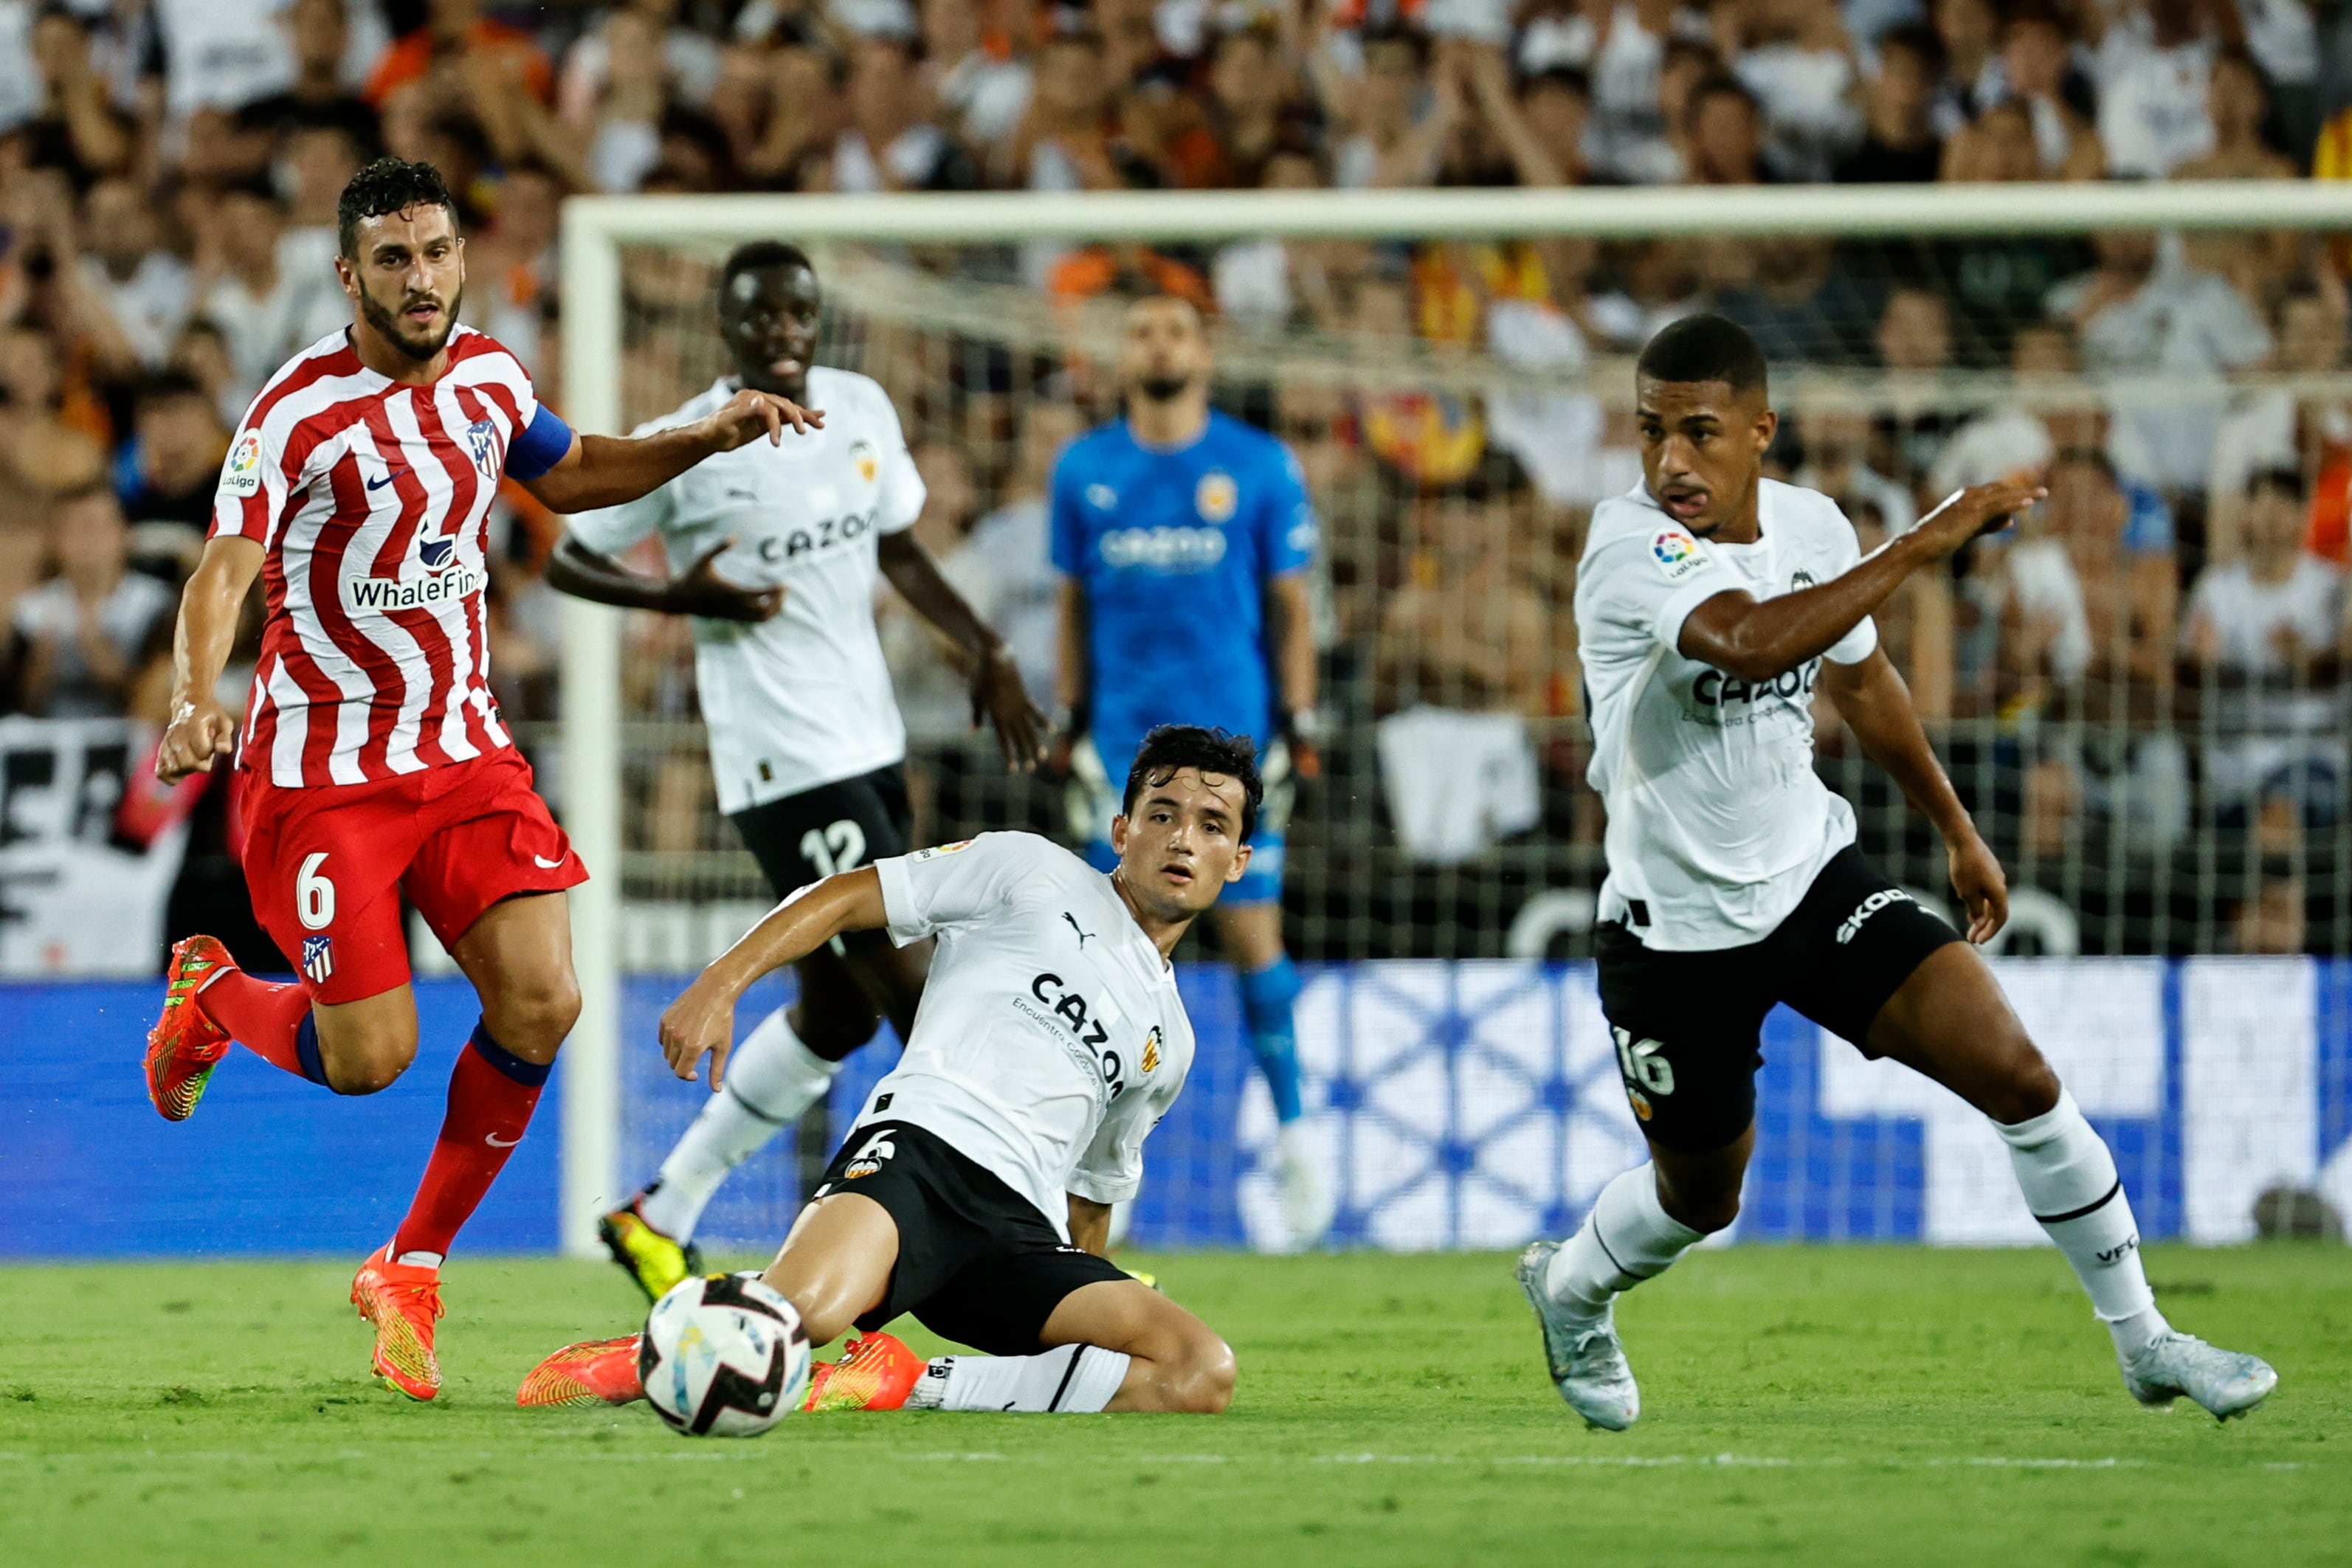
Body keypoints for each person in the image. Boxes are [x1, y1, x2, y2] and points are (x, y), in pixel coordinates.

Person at [139, 158, 822, 1403]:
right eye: (393, 259)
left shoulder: (492, 377)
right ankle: (216, 993)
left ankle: (410, 1263)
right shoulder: (297, 412)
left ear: (464, 258)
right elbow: (222, 574)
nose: (421, 278)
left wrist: (698, 437)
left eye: (438, 252)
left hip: (461, 756)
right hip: (325, 775)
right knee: (370, 1058)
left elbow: (567, 473)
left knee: (543, 1001)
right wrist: (197, 700)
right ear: (348, 275)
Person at [1519, 312, 2276, 1430]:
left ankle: (2146, 1340)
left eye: (1697, 431)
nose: (1669, 460)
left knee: (2017, 1075)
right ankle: (1572, 1289)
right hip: (1672, 932)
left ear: (1759, 432)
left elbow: (1864, 688)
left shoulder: (1816, 529)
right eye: (1647, 432)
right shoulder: (1624, 546)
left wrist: (1955, 831)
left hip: (1815, 885)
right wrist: (1921, 544)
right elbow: (1750, 642)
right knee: (1697, 1200)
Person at [546, 238, 1044, 1301]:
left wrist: (986, 650)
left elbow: (899, 549)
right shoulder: (691, 441)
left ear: (818, 320)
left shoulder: (860, 408)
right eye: (759, 316)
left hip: (871, 745)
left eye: (797, 313)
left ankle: (658, 1211)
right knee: (921, 1005)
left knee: (839, 1015)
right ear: (724, 329)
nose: (782, 331)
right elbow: (562, 552)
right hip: (784, 767)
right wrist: (686, 602)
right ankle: (959, 1259)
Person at [517, 727, 1255, 1419]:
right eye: (1162, 814)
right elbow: (845, 894)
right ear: (1122, 831)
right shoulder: (1030, 870)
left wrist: (1081, 1304)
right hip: (920, 1158)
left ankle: (907, 1379)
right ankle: (643, 1353)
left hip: (1019, 1237)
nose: (1183, 838)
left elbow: (1091, 1196)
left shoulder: (1174, 1043)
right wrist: (723, 980)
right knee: (801, 1315)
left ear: (1238, 861)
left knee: (1200, 1368)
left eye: (1212, 825)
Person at [1053, 294, 1331, 1250]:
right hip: (1125, 759)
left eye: (1173, 329)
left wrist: (1297, 719)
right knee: (1112, 959)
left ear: (1204, 352)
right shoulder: (1083, 469)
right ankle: (1102, 1169)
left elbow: (1288, 606)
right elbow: (1071, 607)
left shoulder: (1256, 466)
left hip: (1236, 753)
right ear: (1122, 351)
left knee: (1255, 938)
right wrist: (1069, 718)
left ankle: (1297, 1143)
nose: (1157, 343)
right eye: (1140, 328)